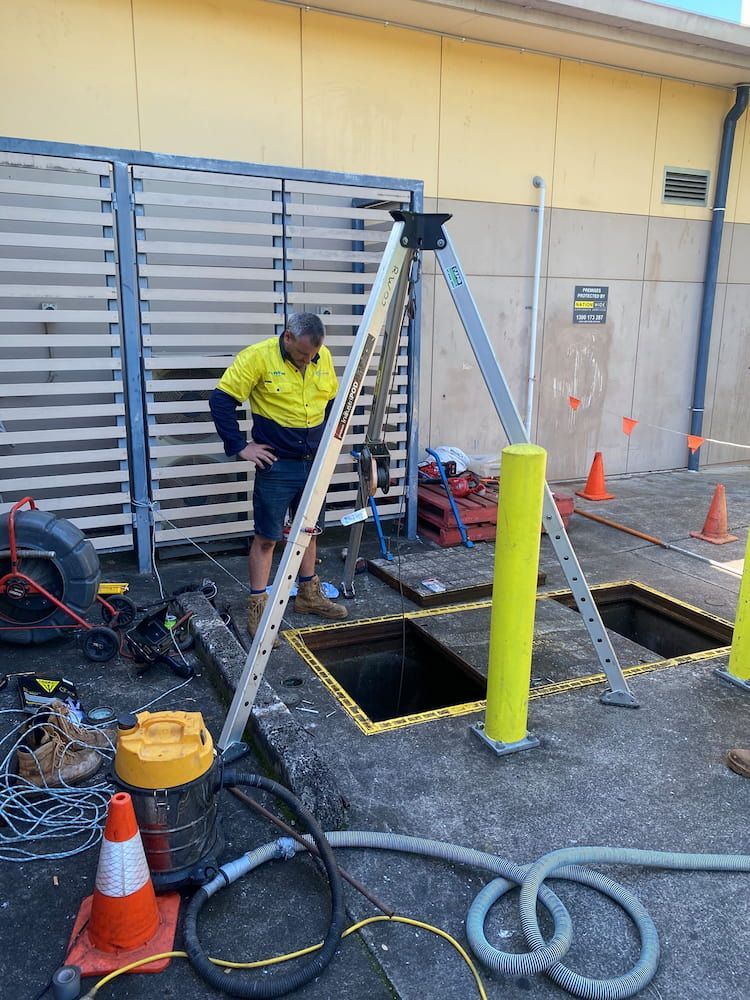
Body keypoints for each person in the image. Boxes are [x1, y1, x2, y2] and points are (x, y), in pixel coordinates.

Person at [209, 313, 347, 637]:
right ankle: (258, 606)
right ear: (287, 337)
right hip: (278, 464)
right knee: (268, 537)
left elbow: (330, 400)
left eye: (312, 356)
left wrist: (329, 441)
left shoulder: (320, 356)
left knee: (309, 530)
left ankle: (309, 596)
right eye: (302, 355)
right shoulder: (257, 357)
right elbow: (221, 401)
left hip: (313, 461)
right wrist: (241, 446)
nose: (307, 361)